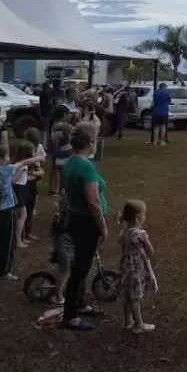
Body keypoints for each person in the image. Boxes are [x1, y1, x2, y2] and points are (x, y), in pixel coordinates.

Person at [60, 130, 109, 331]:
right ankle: (70, 315)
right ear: (90, 143)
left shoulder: (71, 162)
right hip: (86, 222)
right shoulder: (85, 167)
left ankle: (79, 303)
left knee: (81, 264)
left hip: (76, 218)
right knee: (81, 268)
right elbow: (93, 201)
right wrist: (103, 226)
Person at [0, 143, 43, 281]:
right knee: (6, 243)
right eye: (7, 156)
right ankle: (3, 271)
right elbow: (23, 162)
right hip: (5, 210)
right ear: (2, 159)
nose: (9, 158)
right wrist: (40, 157)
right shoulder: (5, 170)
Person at [118, 199, 158, 333]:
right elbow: (150, 251)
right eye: (144, 214)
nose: (145, 217)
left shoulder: (124, 233)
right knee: (135, 296)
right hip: (136, 269)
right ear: (137, 218)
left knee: (128, 295)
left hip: (126, 267)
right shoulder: (140, 234)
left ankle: (127, 321)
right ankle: (138, 324)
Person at [12, 141, 44, 248]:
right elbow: (14, 180)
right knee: (22, 215)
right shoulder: (23, 166)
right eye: (33, 151)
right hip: (19, 190)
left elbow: (24, 178)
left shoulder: (20, 163)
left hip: (20, 189)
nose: (35, 152)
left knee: (21, 215)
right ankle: (17, 240)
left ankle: (19, 238)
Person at [22, 127, 46, 241]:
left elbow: (41, 171)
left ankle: (27, 233)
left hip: (31, 185)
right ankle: (22, 234)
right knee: (23, 212)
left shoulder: (34, 156)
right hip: (24, 185)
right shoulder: (22, 159)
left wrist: (32, 174)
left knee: (29, 210)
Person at [47, 106, 73, 196]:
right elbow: (56, 141)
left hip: (58, 152)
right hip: (62, 152)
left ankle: (53, 188)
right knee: (58, 169)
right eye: (69, 113)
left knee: (55, 168)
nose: (70, 115)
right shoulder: (61, 126)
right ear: (64, 114)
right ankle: (57, 188)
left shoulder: (55, 125)